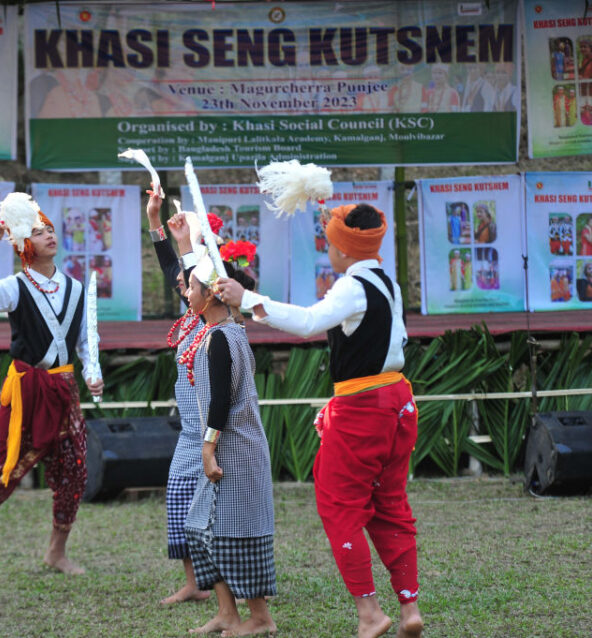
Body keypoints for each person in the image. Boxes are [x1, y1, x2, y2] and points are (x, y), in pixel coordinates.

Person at [217, 203, 423, 638]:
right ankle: (409, 608)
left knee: (340, 505)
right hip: (399, 401)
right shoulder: (388, 281)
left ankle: (370, 613)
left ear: (344, 251)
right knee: (390, 505)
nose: (328, 252)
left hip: (362, 407)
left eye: (330, 244)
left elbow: (310, 322)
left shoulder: (351, 286)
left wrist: (248, 299)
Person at [0, 193, 103, 578]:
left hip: (65, 388)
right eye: (39, 233)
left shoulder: (76, 288)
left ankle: (56, 552)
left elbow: (87, 341)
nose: (49, 236)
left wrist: (93, 371)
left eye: (51, 230)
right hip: (27, 390)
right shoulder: (13, 287)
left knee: (75, 469)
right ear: (25, 245)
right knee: (3, 469)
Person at [174, 217, 276, 638]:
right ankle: (226, 614)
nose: (185, 292)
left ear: (210, 294)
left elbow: (220, 399)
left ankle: (260, 619)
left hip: (234, 447)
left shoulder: (221, 337)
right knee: (201, 527)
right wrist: (183, 243)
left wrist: (208, 447)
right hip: (226, 446)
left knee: (237, 533)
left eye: (191, 288)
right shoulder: (216, 329)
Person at [145, 189, 210, 605]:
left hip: (215, 432)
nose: (181, 285)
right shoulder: (189, 313)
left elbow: (185, 267)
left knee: (218, 514)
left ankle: (231, 586)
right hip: (189, 432)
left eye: (189, 281)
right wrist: (155, 221)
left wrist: (187, 244)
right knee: (179, 500)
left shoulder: (217, 316)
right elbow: (173, 267)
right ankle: (194, 583)